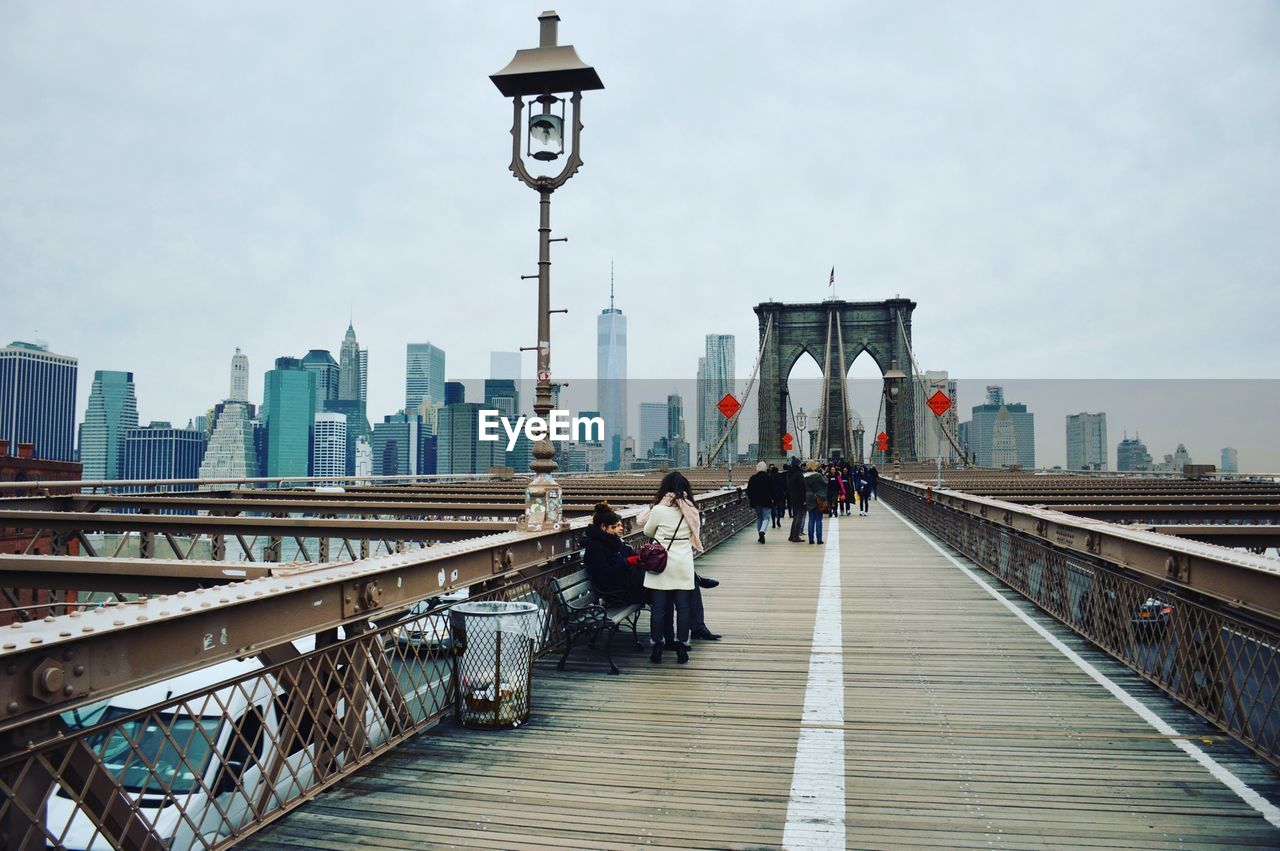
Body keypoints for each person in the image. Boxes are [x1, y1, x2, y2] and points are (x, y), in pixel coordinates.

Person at [640, 472, 702, 664]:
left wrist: (659, 513)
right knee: (683, 608)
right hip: (682, 561)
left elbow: (647, 530)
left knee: (659, 608)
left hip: (661, 562)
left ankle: (657, 646)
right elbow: (696, 530)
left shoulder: (659, 510)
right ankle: (682, 646)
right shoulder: (691, 509)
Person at [583, 502, 646, 606]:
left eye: (619, 525)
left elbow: (630, 556)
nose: (620, 528)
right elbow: (605, 574)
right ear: (603, 527)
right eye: (614, 526)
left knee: (656, 583)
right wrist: (628, 562)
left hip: (622, 586)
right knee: (656, 587)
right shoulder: (594, 547)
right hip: (614, 592)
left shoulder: (612, 541)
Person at [746, 461, 773, 544]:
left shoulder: (753, 478)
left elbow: (749, 491)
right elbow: (773, 489)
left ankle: (760, 536)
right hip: (766, 501)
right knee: (766, 518)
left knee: (759, 518)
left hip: (756, 502)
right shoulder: (768, 477)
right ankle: (762, 531)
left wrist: (752, 499)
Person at [803, 460, 827, 544]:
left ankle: (811, 539)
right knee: (818, 520)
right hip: (818, 497)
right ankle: (819, 539)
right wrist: (823, 474)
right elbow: (825, 483)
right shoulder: (818, 475)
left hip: (808, 497)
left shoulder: (804, 476)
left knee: (811, 519)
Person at [786, 457, 806, 542]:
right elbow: (802, 488)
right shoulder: (798, 474)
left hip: (793, 497)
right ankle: (796, 536)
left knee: (795, 517)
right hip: (800, 498)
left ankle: (792, 535)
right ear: (798, 464)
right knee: (799, 517)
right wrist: (804, 499)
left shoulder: (790, 474)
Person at [769, 464, 787, 528]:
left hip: (772, 496)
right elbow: (784, 486)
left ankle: (773, 522)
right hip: (780, 495)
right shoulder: (780, 477)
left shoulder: (770, 477)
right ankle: (778, 520)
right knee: (779, 508)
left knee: (773, 509)